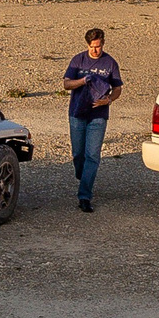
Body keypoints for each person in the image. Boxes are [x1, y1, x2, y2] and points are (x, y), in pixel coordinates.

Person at [61, 28, 124, 212]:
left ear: (103, 43)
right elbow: (66, 84)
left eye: (98, 46)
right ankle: (83, 176)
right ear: (87, 45)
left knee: (93, 156)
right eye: (92, 47)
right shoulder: (78, 60)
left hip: (98, 116)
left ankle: (84, 196)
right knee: (78, 154)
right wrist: (83, 81)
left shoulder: (110, 63)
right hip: (77, 113)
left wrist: (109, 100)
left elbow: (118, 88)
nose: (95, 50)